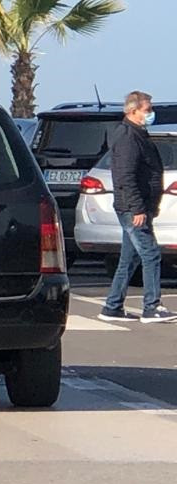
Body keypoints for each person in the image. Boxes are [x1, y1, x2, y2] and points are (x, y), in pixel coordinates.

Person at [98, 90, 177, 323]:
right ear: (133, 111)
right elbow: (125, 176)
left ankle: (112, 306)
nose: (150, 114)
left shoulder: (137, 134)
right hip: (132, 209)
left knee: (129, 257)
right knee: (151, 254)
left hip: (139, 206)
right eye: (147, 110)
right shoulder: (127, 138)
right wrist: (137, 209)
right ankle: (151, 306)